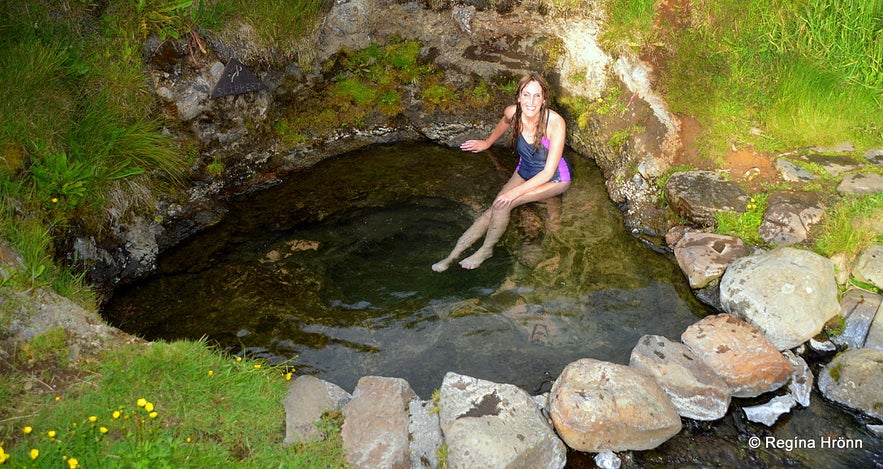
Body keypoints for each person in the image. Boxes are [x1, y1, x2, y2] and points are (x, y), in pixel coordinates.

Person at [432, 72, 571, 272]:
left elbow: (549, 171)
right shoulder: (513, 112)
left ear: (544, 100)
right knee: (493, 209)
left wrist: (514, 193)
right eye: (526, 94)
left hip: (555, 179)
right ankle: (452, 255)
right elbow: (504, 122)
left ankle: (486, 250)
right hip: (525, 169)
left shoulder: (555, 123)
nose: (531, 101)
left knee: (505, 202)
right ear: (519, 96)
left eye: (537, 96)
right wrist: (487, 142)